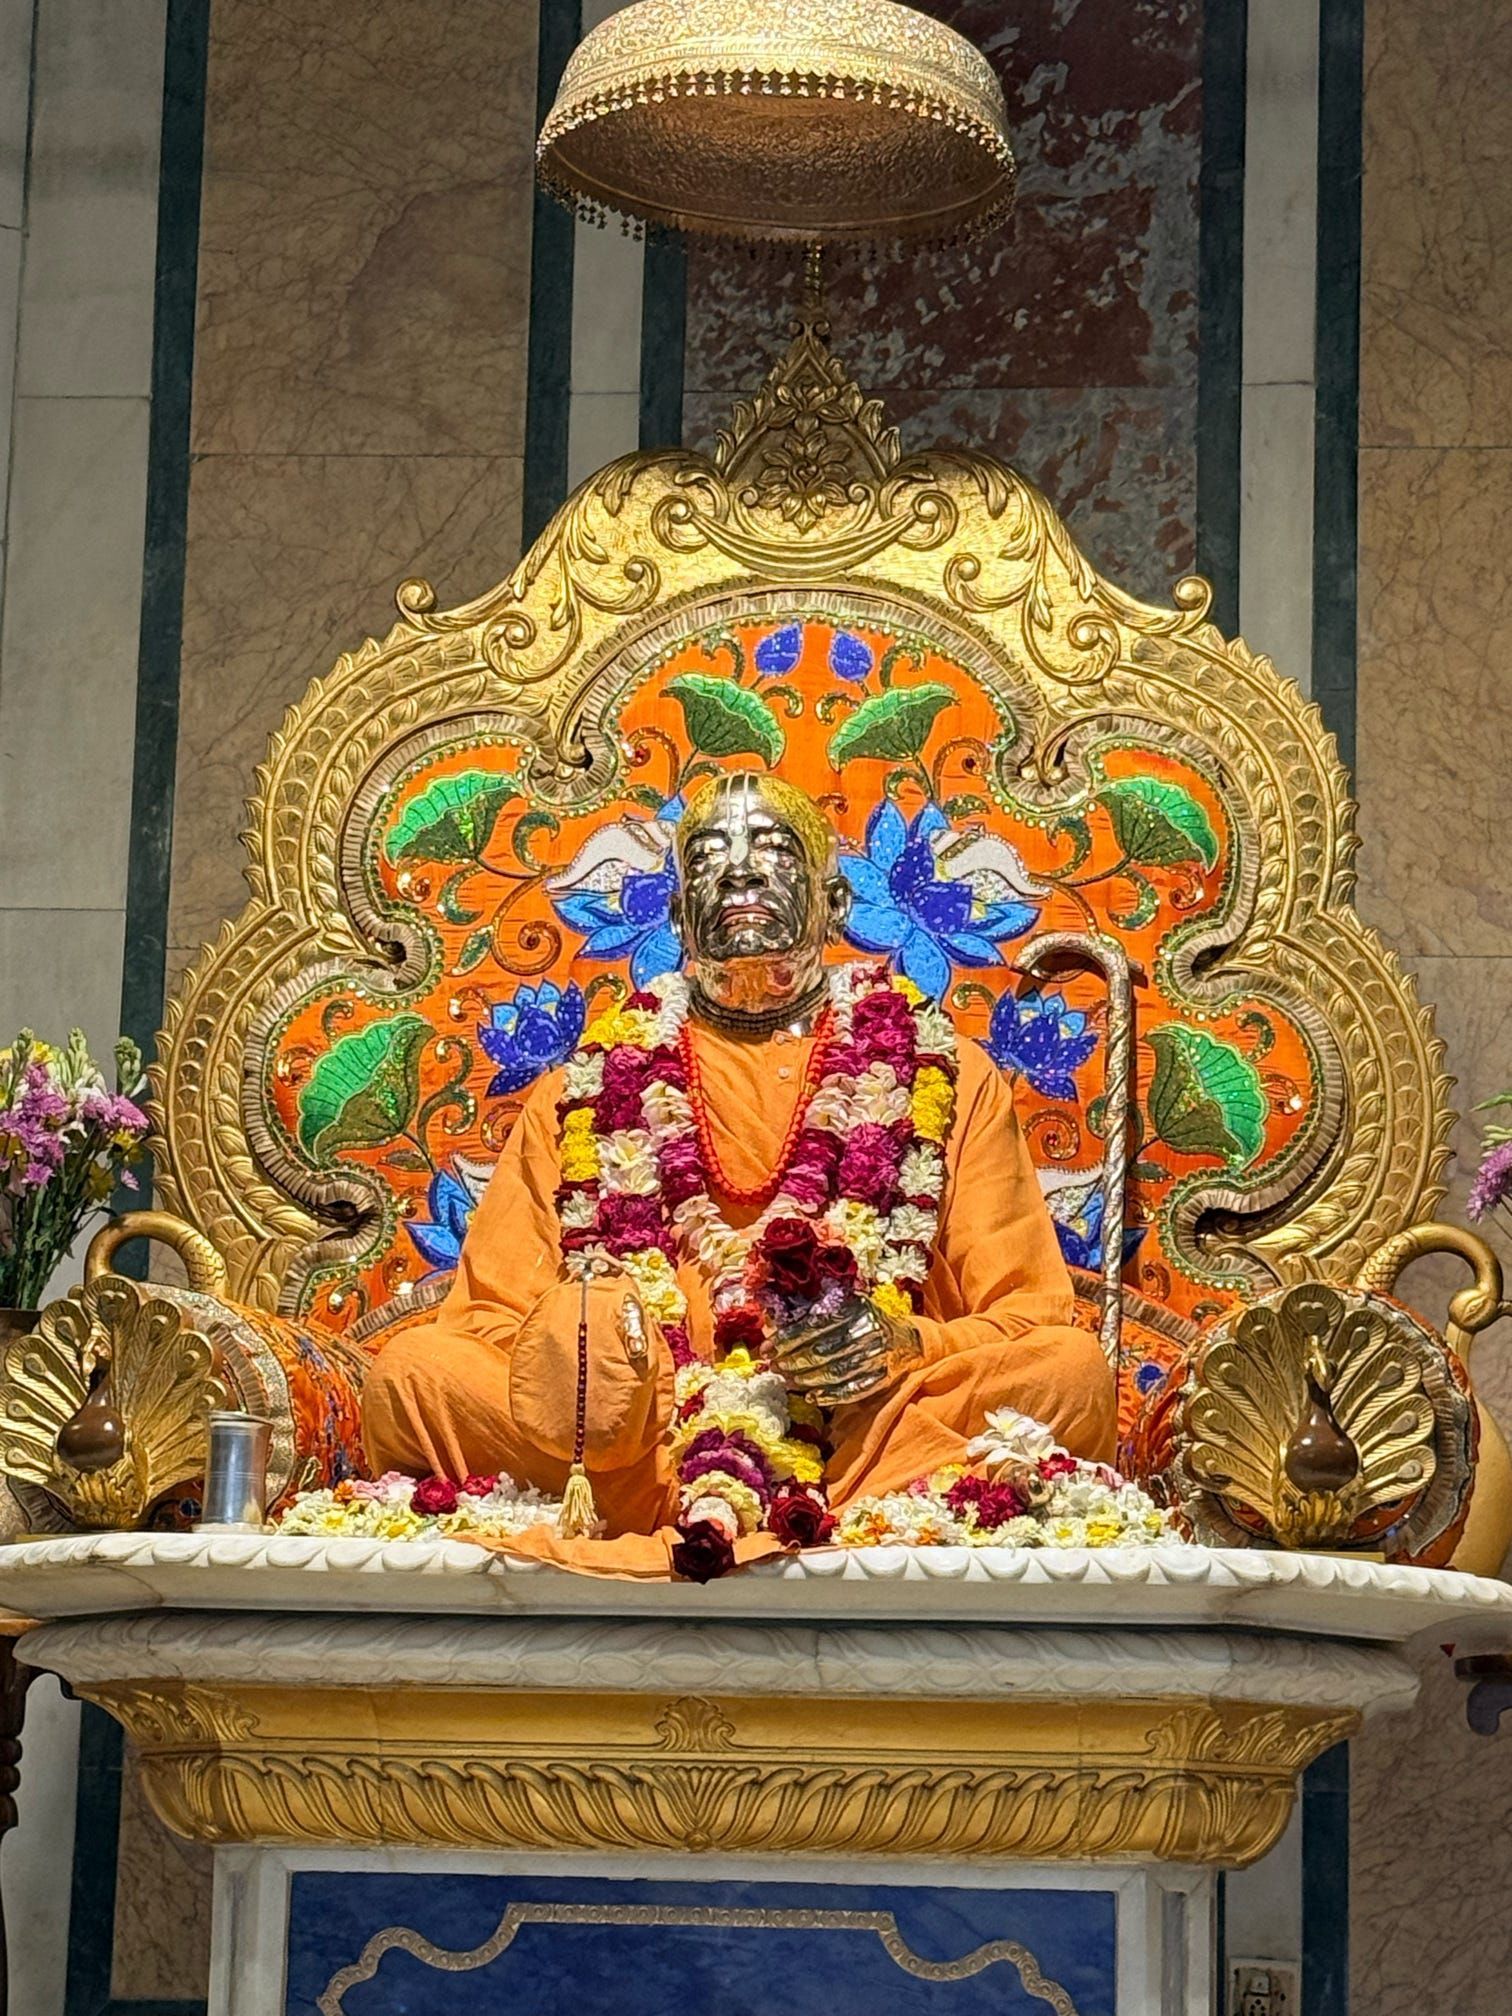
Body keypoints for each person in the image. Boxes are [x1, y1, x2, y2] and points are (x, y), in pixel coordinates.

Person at [362, 771, 1115, 1573]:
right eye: (709, 857)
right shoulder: (583, 1088)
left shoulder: (946, 1072)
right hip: (634, 1443)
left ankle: (768, 1500)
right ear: (677, 915)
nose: (740, 871)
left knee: (1068, 1375)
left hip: (859, 1430)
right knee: (413, 1375)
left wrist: (898, 1344)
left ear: (835, 903)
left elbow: (1027, 1315)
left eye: (774, 850)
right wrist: (597, 1361)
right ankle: (694, 1495)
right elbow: (487, 1323)